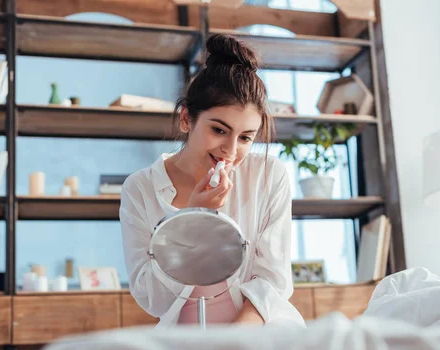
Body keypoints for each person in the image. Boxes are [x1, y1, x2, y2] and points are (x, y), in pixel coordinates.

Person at [119, 34, 305, 328]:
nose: (230, 151)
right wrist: (192, 223)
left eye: (245, 138)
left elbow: (274, 280)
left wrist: (233, 343)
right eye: (219, 130)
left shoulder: (268, 175)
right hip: (184, 345)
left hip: (259, 335)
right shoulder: (139, 188)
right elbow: (151, 298)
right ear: (186, 120)